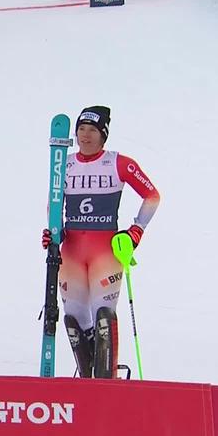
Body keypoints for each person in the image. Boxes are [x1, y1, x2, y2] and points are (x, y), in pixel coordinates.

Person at [42, 106, 160, 379]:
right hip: (71, 252)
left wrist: (136, 231)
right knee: (74, 321)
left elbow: (152, 196)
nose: (85, 136)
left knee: (104, 316)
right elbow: (53, 203)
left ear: (103, 134)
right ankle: (87, 376)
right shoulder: (64, 163)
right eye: (81, 129)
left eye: (92, 130)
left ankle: (107, 377)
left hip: (105, 251)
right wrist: (53, 233)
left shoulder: (119, 163)